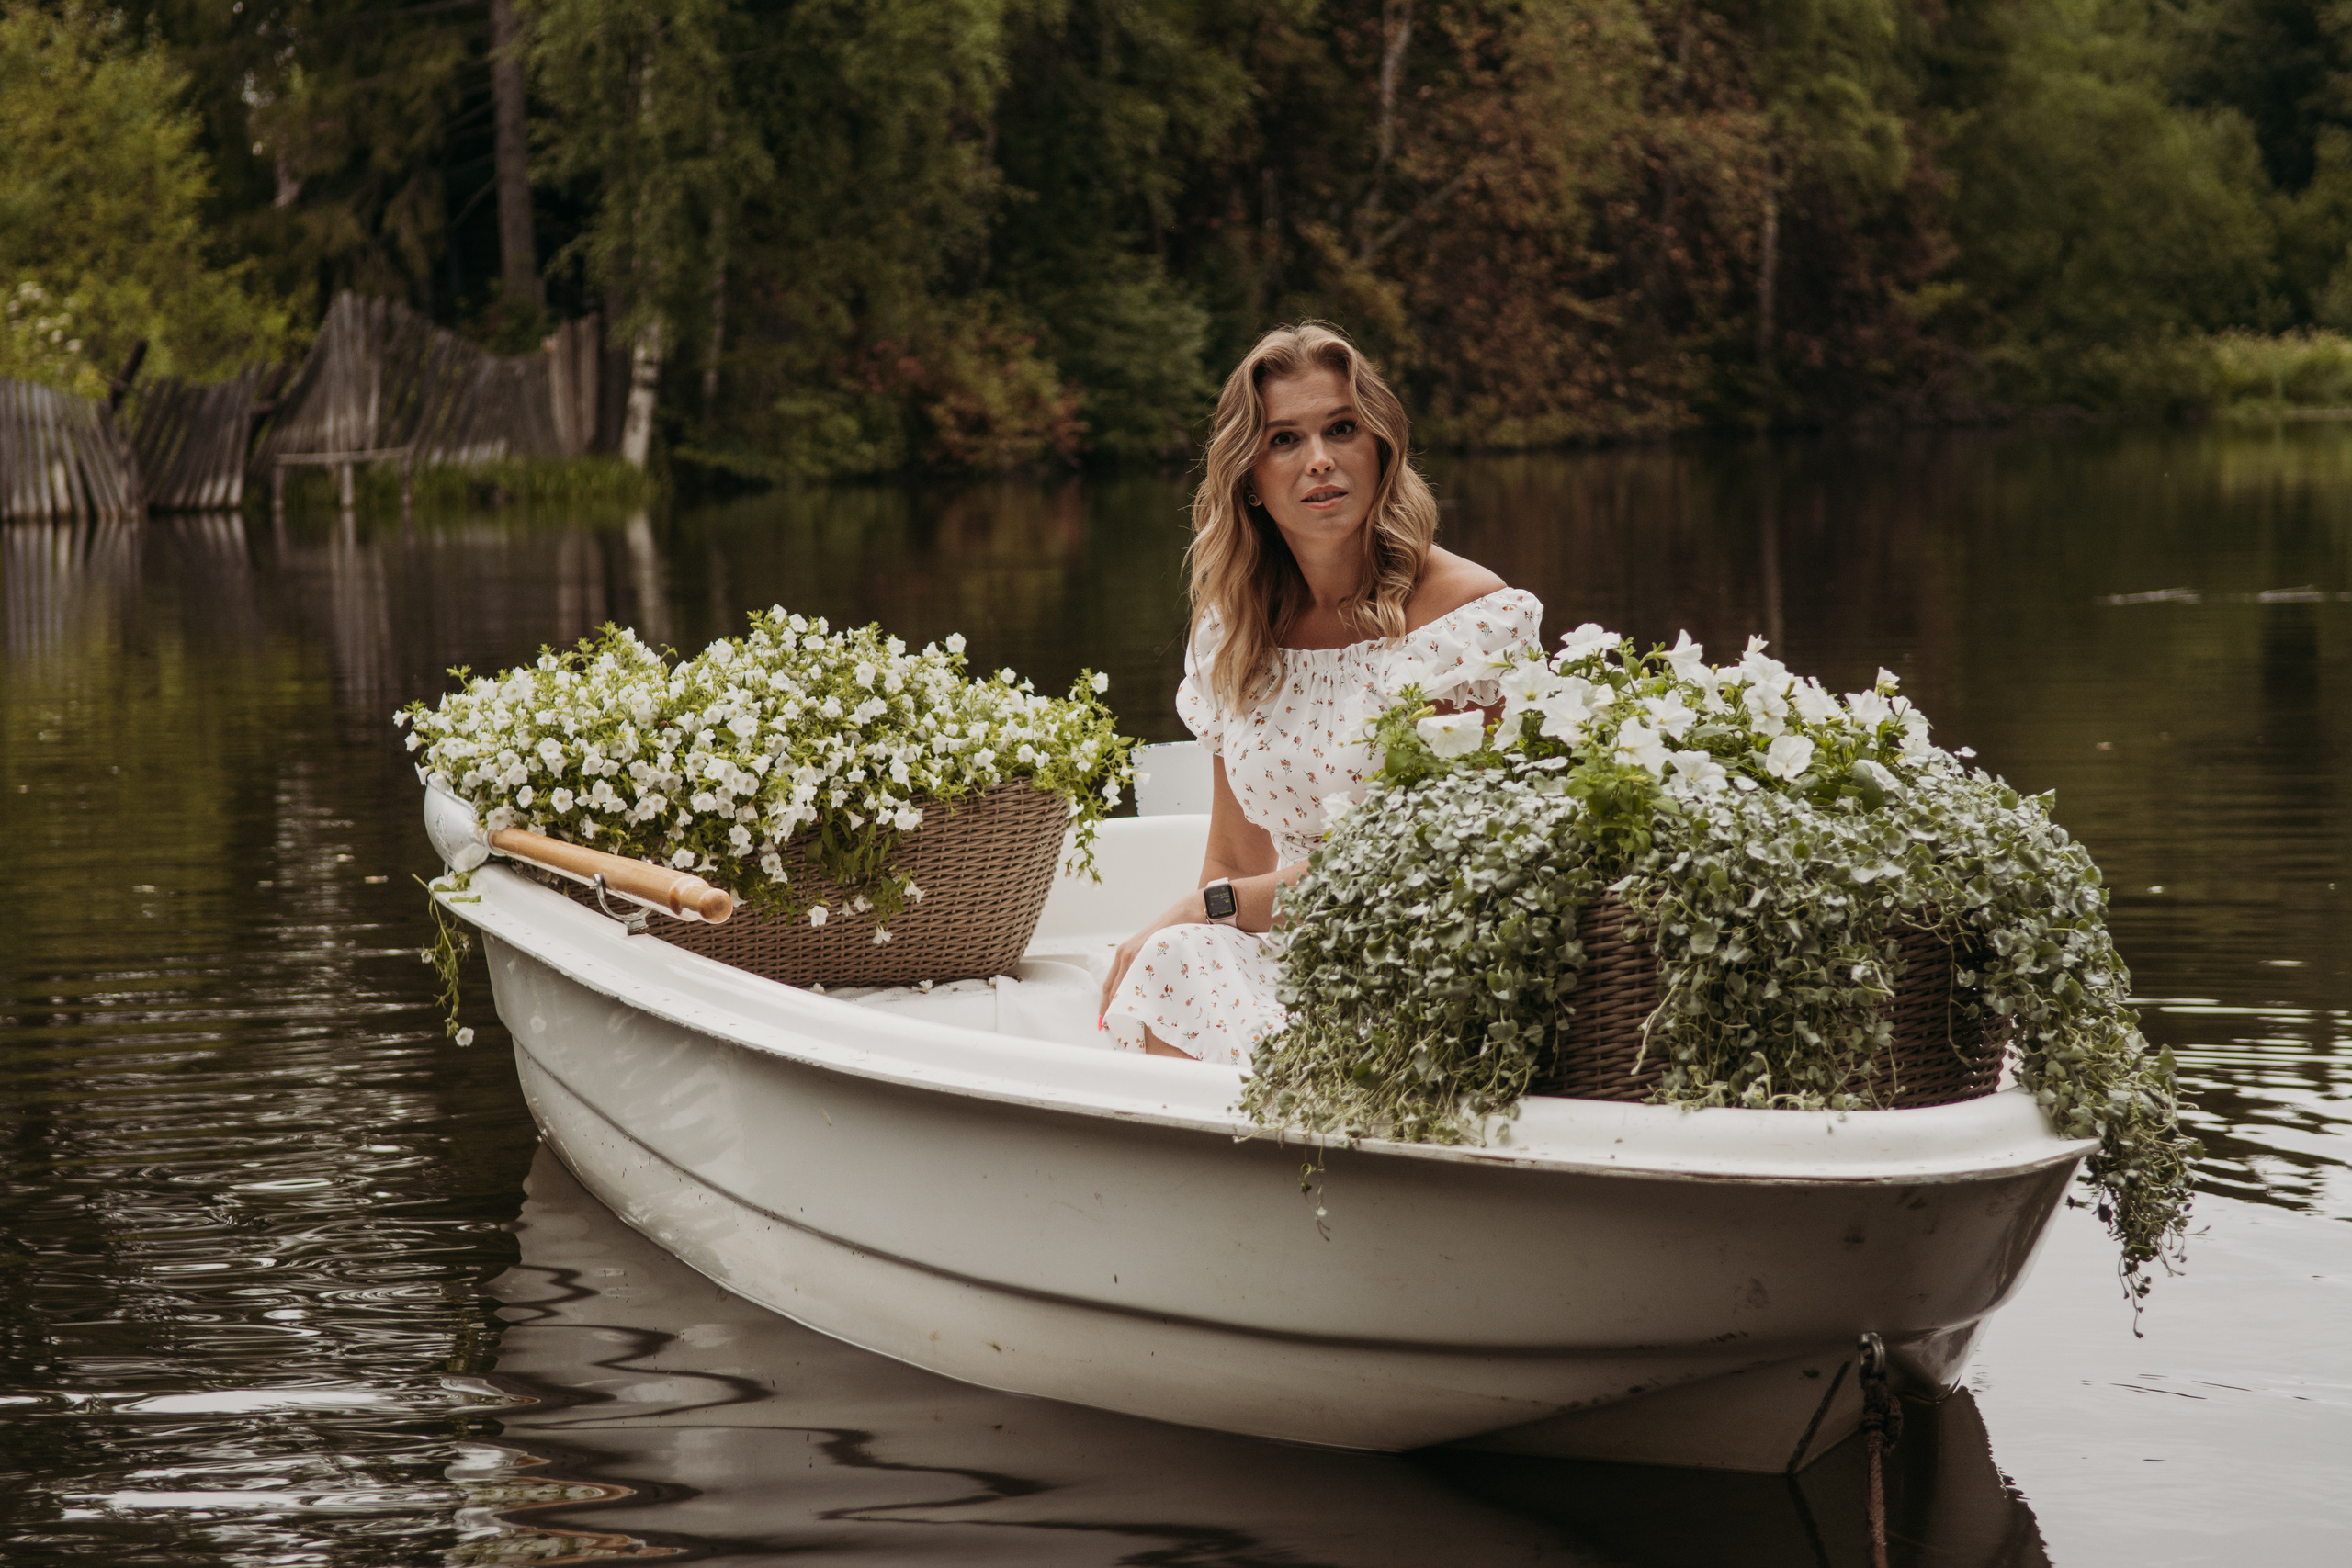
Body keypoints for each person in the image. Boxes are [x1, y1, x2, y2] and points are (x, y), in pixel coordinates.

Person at [1098, 322, 1544, 1064]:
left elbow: (1417, 860)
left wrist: (1205, 909)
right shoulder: (1235, 633)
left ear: (1380, 451)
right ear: (1249, 476)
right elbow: (1236, 859)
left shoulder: (1464, 621)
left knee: (1180, 940)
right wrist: (1193, 924)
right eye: (1283, 440)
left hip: (1428, 954)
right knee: (1170, 960)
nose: (1320, 461)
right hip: (1296, 951)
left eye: (1342, 428)